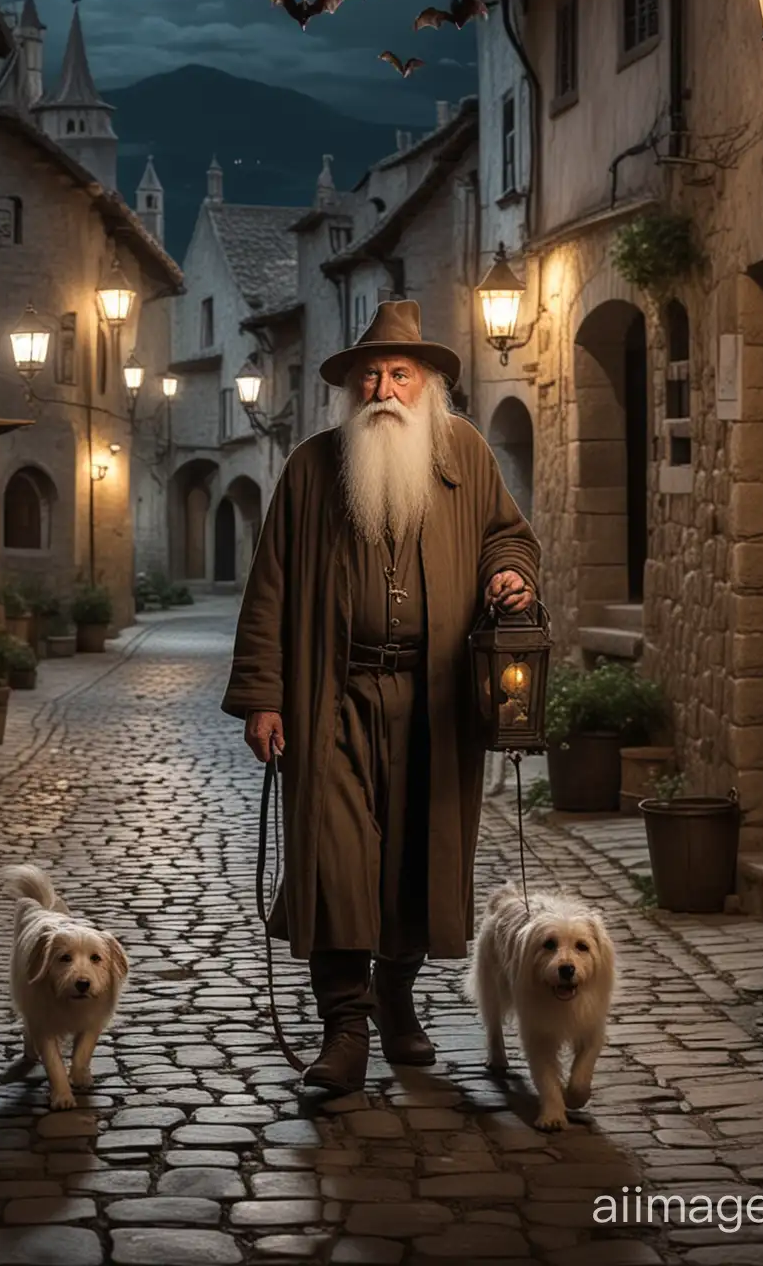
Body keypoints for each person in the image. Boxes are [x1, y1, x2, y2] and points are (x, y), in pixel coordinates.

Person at [222, 299, 540, 1095]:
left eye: (401, 374)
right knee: (335, 857)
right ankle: (345, 1027)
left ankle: (397, 1000)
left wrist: (511, 576)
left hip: (434, 701)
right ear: (350, 389)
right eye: (370, 375)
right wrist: (264, 695)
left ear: (428, 384)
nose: (384, 390)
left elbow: (509, 535)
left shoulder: (464, 455)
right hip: (331, 696)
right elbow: (270, 589)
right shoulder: (311, 467)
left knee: (413, 858)